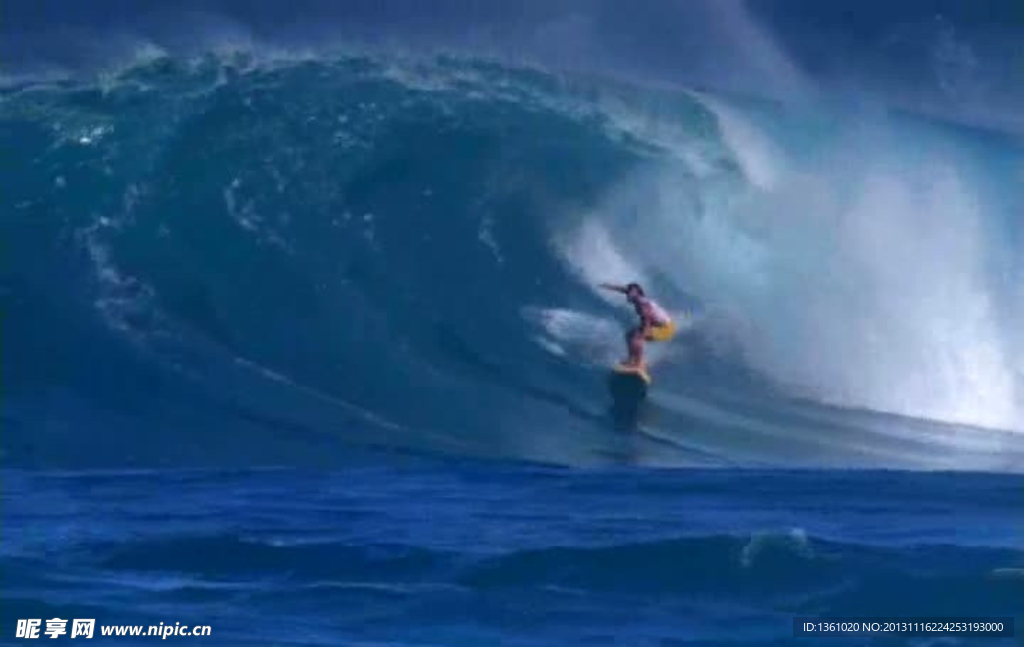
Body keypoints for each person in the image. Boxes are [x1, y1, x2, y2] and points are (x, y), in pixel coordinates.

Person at [599, 282, 676, 369]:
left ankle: (638, 363)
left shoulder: (642, 304)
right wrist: (608, 286)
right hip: (660, 326)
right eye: (628, 293)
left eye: (630, 293)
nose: (628, 295)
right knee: (629, 335)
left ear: (637, 293)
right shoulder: (637, 297)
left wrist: (645, 333)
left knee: (637, 338)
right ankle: (632, 359)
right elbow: (624, 290)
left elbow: (648, 318)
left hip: (666, 329)